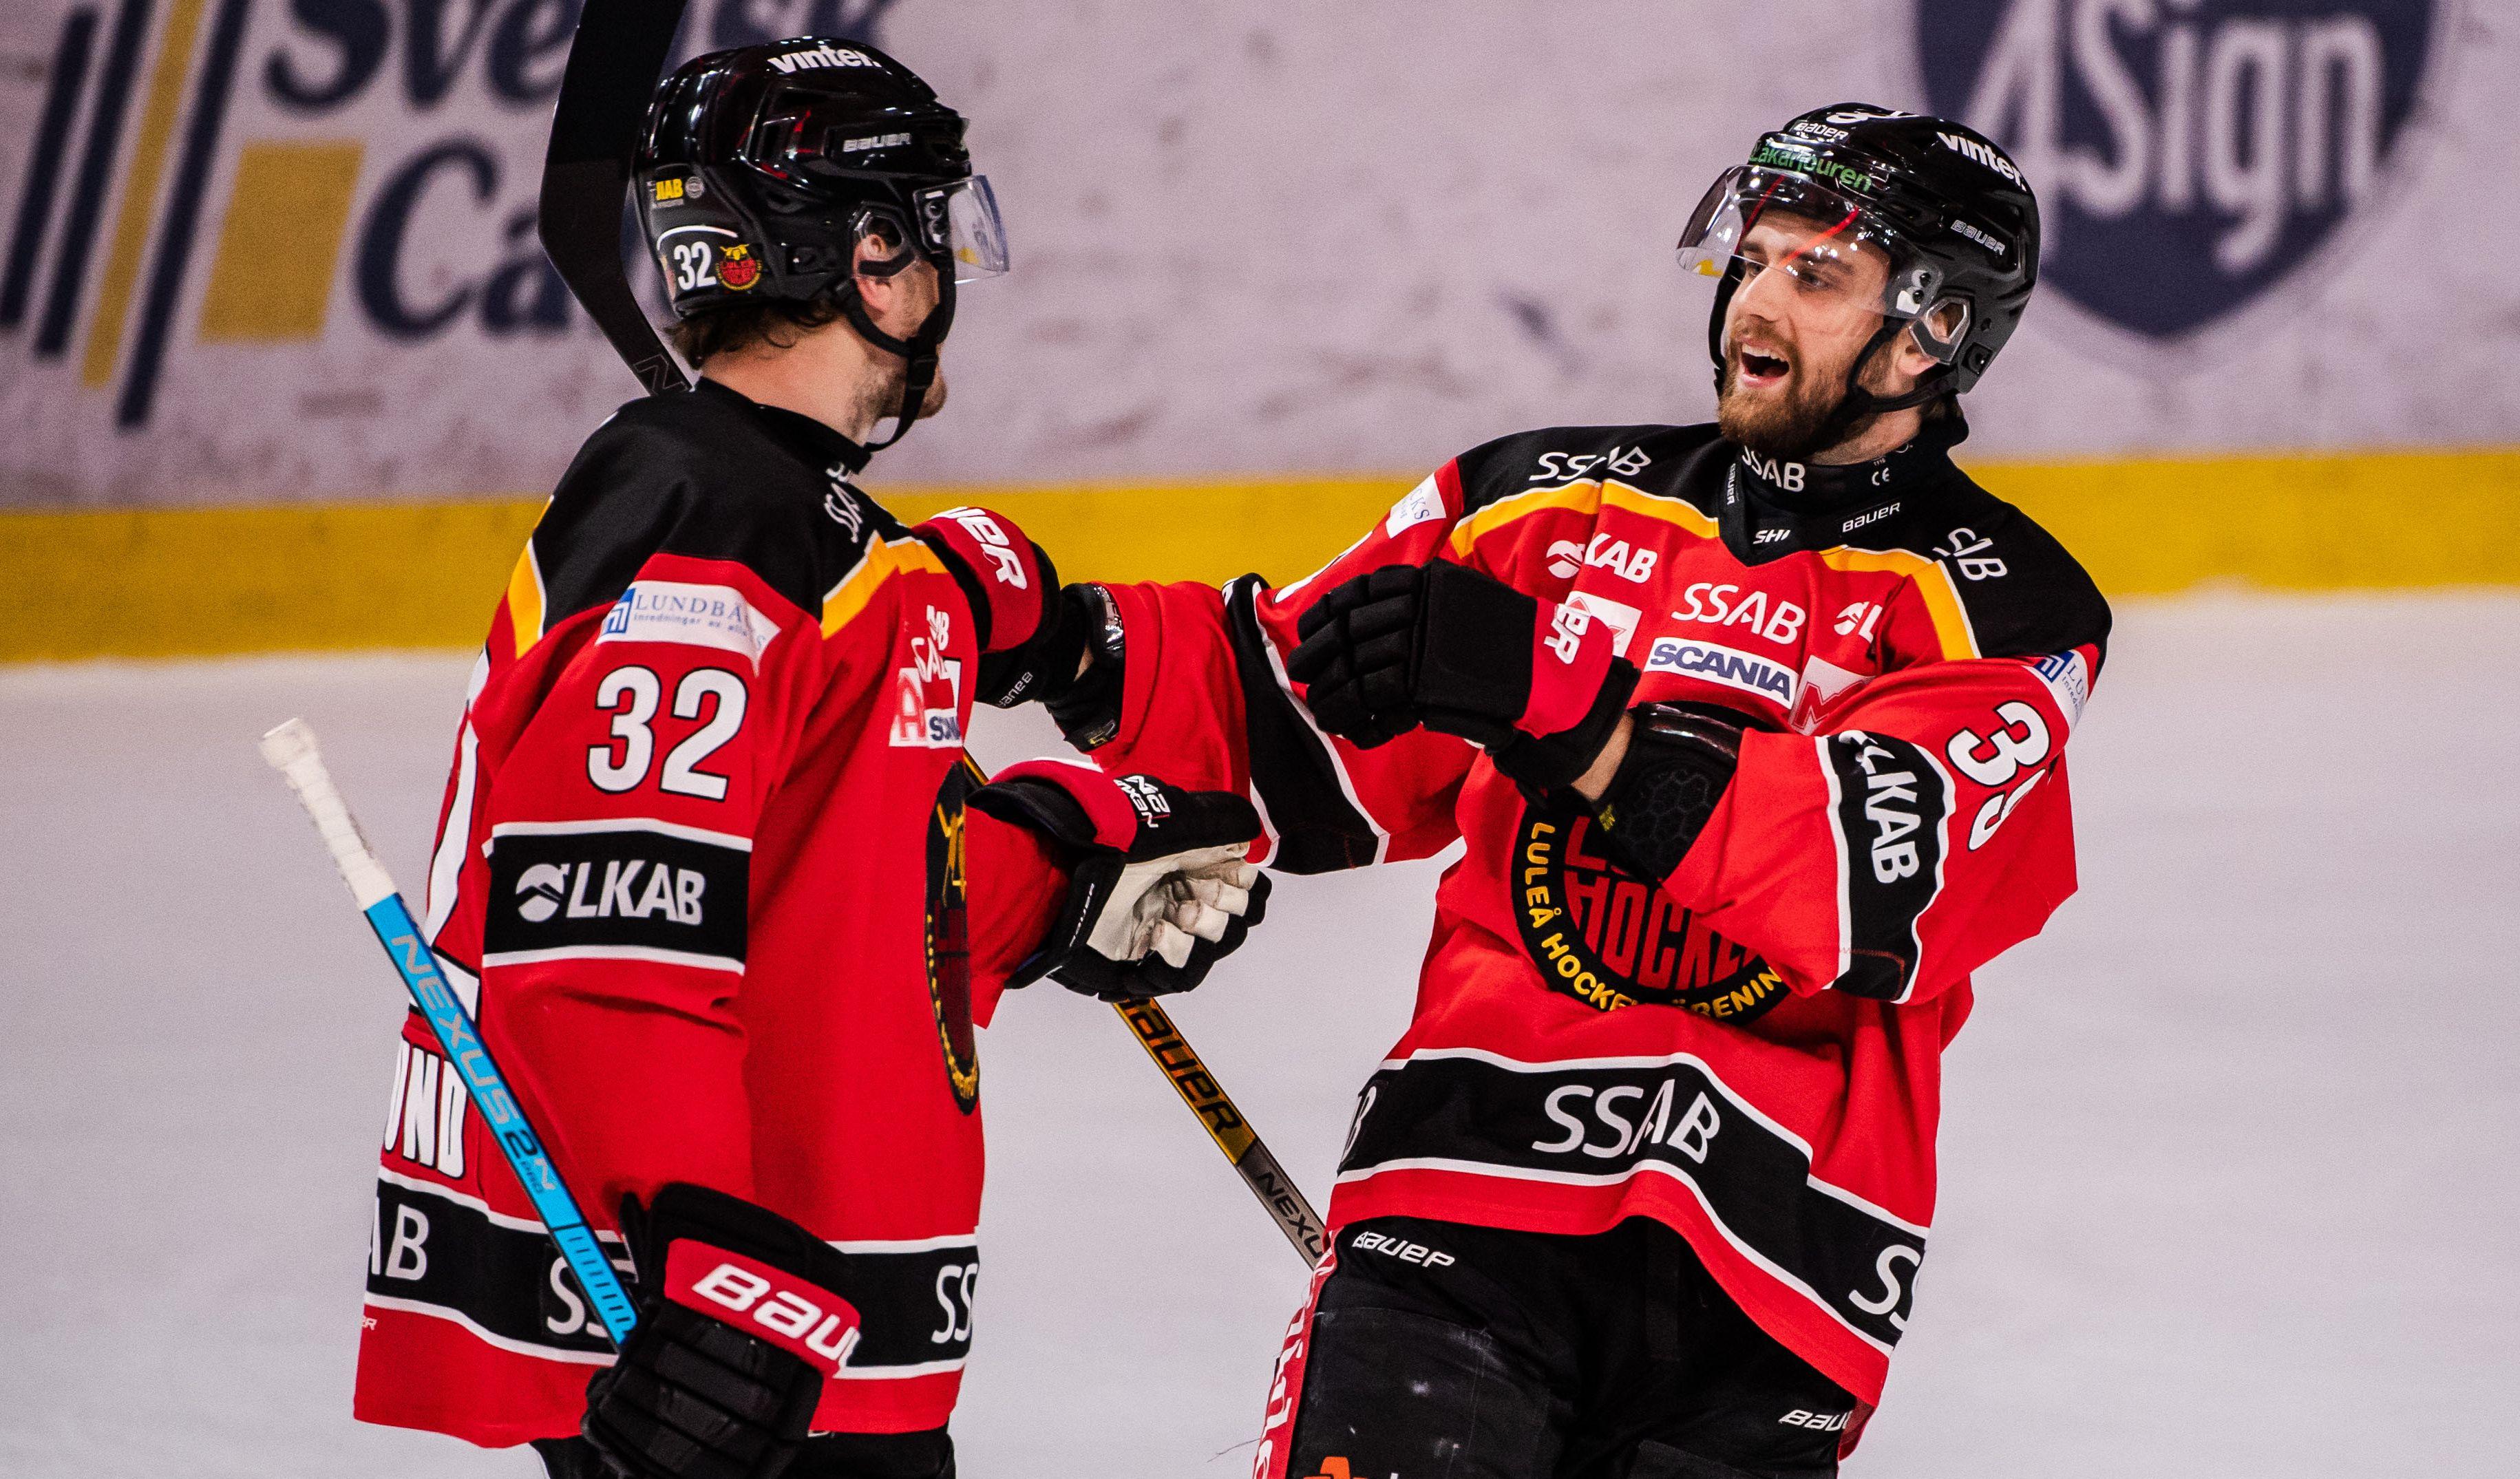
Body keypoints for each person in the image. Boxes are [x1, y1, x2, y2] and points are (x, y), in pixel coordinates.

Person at [1029, 105, 2110, 1477]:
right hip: (1465, 1192)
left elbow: (1855, 881)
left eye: (1814, 274)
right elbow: (1286, 724)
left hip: (1773, 1277)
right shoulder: (1539, 504)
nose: (1753, 301)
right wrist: (1055, 647)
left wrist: (1568, 710)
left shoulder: (2006, 611)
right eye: (1753, 258)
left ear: (1930, 332)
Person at [350, 39, 1267, 1479]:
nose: (947, 273)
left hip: (804, 1321)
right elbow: (608, 939)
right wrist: (706, 1286)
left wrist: (1056, 878)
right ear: (872, 260)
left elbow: (835, 890)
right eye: (930, 229)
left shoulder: (802, 534)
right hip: (715, 1343)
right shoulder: (709, 521)